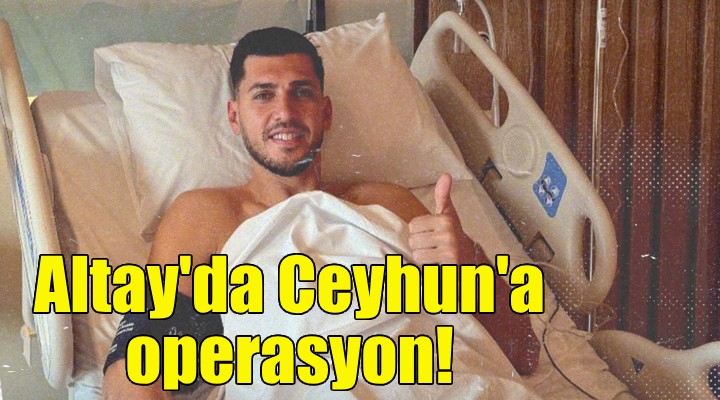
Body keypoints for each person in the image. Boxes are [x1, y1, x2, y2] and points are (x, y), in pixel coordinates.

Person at [102, 27, 539, 399]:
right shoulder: (208, 215)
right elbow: (142, 358)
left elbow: (523, 354)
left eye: (302, 92)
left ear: (325, 113)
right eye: (264, 95)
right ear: (235, 117)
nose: (285, 112)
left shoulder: (388, 203)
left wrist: (470, 264)